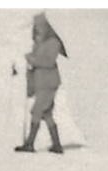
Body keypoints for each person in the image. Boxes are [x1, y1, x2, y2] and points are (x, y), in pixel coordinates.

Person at [15, 13, 68, 154]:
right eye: (36, 27)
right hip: (41, 82)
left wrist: (32, 59)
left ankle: (30, 143)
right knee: (47, 113)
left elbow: (48, 62)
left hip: (49, 82)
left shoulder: (53, 42)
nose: (38, 29)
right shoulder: (39, 42)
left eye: (40, 26)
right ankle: (56, 145)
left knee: (37, 111)